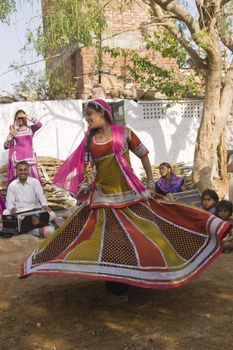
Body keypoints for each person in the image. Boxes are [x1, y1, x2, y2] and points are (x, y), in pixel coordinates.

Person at [20, 99, 231, 304]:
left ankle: (151, 273)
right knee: (106, 241)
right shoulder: (89, 141)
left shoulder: (125, 132)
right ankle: (117, 288)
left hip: (130, 195)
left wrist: (150, 181)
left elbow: (144, 155)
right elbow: (90, 169)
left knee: (149, 232)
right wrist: (87, 183)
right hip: (103, 199)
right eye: (86, 116)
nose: (87, 119)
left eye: (90, 114)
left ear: (102, 112)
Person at [4, 109, 42, 184]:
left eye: (22, 117)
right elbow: (5, 146)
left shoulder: (30, 129)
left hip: (30, 161)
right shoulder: (14, 131)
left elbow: (39, 125)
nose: (20, 119)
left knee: (34, 183)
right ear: (16, 120)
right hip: (19, 162)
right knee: (19, 185)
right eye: (18, 118)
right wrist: (10, 136)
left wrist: (27, 116)